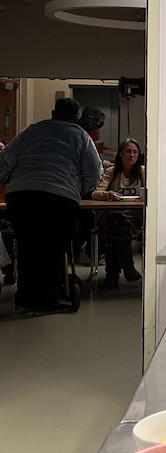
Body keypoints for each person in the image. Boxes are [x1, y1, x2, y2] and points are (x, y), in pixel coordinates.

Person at [0, 97, 102, 313]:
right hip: (59, 196)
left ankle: (23, 299)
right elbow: (95, 172)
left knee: (27, 247)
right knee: (52, 249)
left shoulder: (32, 130)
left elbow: (5, 160)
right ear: (76, 117)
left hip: (21, 195)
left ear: (53, 112)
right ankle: (45, 301)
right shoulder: (81, 136)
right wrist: (78, 189)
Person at [92, 137, 145, 287]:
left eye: (135, 152)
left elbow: (153, 192)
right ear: (121, 153)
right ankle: (128, 268)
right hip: (111, 214)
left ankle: (112, 274)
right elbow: (96, 193)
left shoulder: (142, 172)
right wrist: (108, 194)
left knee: (114, 228)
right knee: (115, 223)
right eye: (128, 151)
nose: (132, 155)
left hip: (133, 216)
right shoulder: (112, 171)